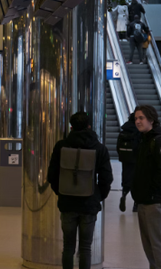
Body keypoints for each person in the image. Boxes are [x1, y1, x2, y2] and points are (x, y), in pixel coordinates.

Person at [47, 112, 113, 269]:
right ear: (89, 126)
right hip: (89, 204)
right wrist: (97, 196)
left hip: (67, 203)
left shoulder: (61, 146)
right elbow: (106, 178)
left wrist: (61, 192)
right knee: (85, 248)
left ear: (71, 127)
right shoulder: (99, 148)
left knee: (68, 247)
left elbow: (52, 175)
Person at [132, 105, 161, 269]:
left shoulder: (159, 140)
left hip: (155, 200)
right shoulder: (145, 139)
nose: (138, 121)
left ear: (151, 119)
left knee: (157, 242)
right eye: (136, 119)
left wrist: (153, 191)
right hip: (144, 199)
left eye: (141, 118)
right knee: (148, 243)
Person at [116, 112, 140, 212]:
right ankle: (136, 204)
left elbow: (118, 145)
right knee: (137, 180)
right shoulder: (138, 131)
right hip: (136, 158)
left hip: (125, 158)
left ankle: (124, 193)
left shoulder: (124, 130)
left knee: (126, 176)